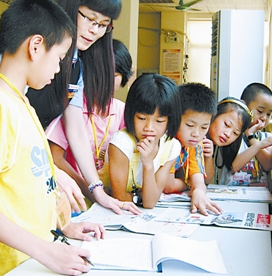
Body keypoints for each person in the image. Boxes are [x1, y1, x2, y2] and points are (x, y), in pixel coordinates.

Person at [0, 0, 105, 276]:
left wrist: (63, 226)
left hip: (30, 264)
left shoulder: (21, 103)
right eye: (59, 59)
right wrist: (45, 251)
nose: (59, 69)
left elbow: (35, 183)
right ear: (35, 46)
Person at [27, 0, 140, 215]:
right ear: (71, 5)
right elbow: (8, 112)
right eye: (89, 18)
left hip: (28, 161)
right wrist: (51, 170)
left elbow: (75, 128)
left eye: (103, 24)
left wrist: (96, 190)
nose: (94, 30)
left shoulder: (76, 65)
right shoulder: (34, 45)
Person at [47, 39, 133, 201]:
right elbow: (55, 157)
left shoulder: (124, 112)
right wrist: (90, 191)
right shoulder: (73, 108)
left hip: (112, 197)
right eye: (100, 74)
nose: (106, 81)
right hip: (75, 196)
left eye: (114, 75)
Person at [108, 73, 182, 209]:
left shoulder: (171, 147)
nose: (149, 127)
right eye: (142, 118)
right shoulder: (121, 142)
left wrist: (148, 163)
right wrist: (138, 197)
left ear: (170, 120)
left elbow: (150, 202)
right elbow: (119, 197)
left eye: (159, 121)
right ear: (131, 114)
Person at [163, 83, 222, 215]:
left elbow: (199, 180)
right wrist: (189, 184)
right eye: (190, 125)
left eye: (204, 127)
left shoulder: (195, 144)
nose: (196, 133)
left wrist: (199, 191)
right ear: (175, 118)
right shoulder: (167, 141)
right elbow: (168, 186)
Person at [221, 83, 272, 186]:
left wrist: (252, 137)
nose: (264, 118)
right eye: (260, 111)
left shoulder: (267, 138)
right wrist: (256, 143)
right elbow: (234, 167)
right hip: (231, 191)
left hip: (259, 193)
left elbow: (267, 165)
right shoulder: (233, 135)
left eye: (268, 114)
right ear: (244, 106)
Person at [206, 97, 254, 184]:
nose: (228, 134)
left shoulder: (213, 146)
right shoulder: (195, 137)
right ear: (215, 114)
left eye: (235, 133)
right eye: (226, 124)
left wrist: (208, 157)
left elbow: (206, 180)